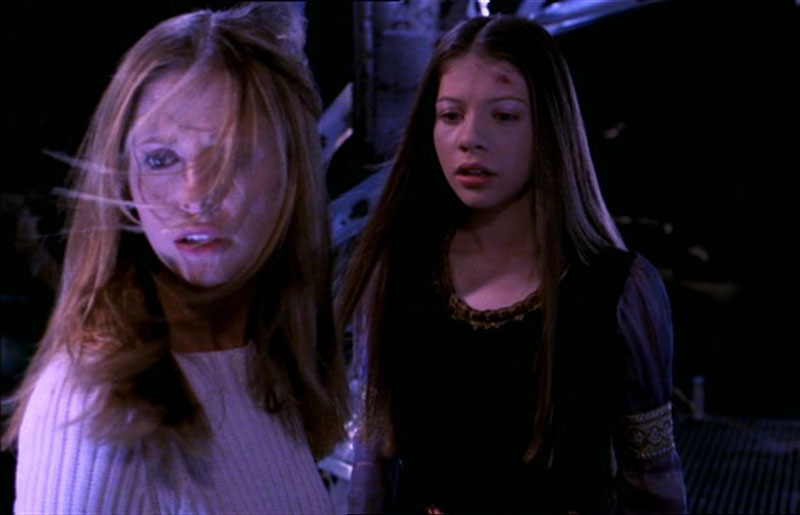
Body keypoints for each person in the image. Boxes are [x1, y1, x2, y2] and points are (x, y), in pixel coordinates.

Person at [2, 3, 349, 513]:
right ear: (124, 181)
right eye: (161, 159)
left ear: (292, 173)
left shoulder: (268, 367)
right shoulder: (95, 401)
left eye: (230, 157)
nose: (194, 195)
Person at [338, 14, 687, 514]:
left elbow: (653, 483)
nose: (470, 138)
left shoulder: (616, 290)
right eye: (450, 115)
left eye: (503, 116)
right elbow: (373, 471)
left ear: (549, 125)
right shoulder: (398, 274)